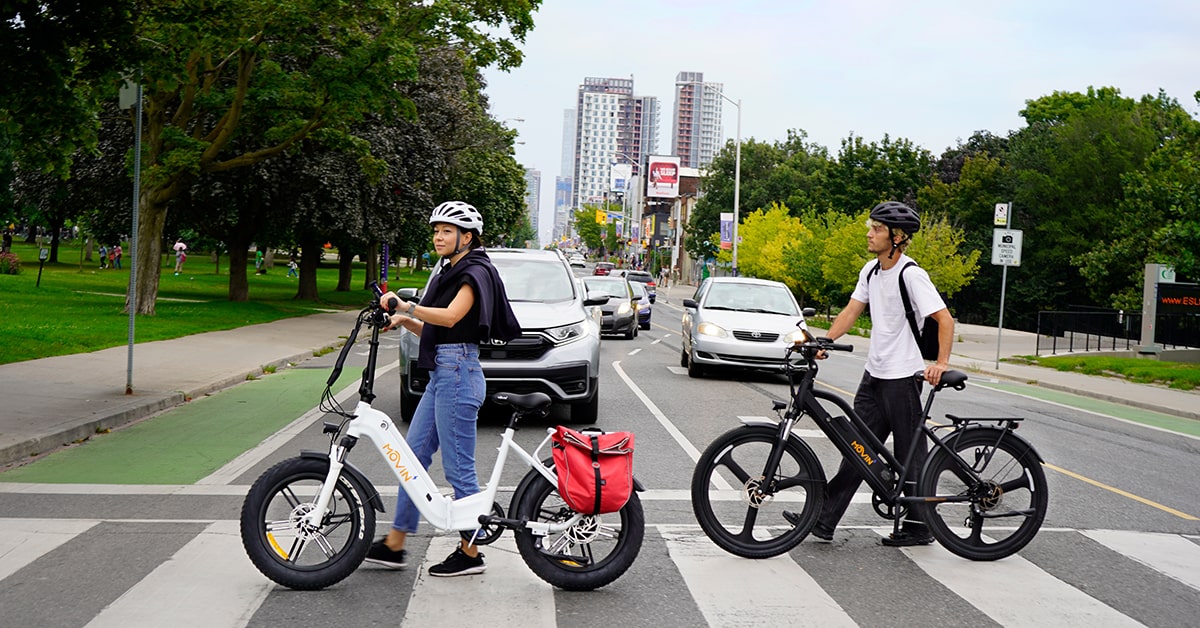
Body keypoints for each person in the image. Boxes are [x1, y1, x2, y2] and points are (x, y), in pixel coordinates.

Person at [365, 201, 521, 577]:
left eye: (448, 231)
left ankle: (471, 553)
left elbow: (451, 317)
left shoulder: (474, 270)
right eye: (436, 230)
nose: (438, 236)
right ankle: (395, 543)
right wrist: (405, 319)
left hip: (457, 373)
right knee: (411, 461)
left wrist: (408, 305)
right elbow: (440, 331)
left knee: (459, 469)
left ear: (466, 237)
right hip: (443, 372)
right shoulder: (447, 269)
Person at [809, 201, 954, 547]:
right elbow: (851, 310)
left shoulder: (911, 275)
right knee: (857, 449)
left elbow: (944, 319)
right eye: (870, 228)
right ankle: (825, 519)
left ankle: (920, 526)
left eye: (876, 229)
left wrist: (941, 363)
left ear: (897, 236)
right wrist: (826, 339)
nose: (869, 233)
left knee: (909, 454)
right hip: (874, 376)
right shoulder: (871, 271)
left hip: (904, 377)